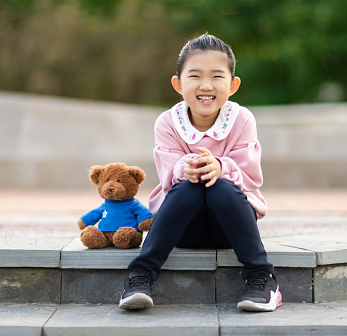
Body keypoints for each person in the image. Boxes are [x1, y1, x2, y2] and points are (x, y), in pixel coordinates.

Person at [118, 33, 281, 312]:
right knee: (192, 184)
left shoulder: (242, 120)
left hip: (230, 227)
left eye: (217, 76)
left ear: (233, 84)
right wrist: (188, 168)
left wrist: (221, 167)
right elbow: (169, 174)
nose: (206, 85)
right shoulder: (168, 122)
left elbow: (251, 176)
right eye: (195, 76)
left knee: (219, 184)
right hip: (184, 227)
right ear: (178, 84)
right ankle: (140, 275)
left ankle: (262, 277)